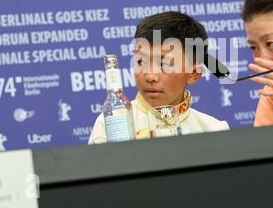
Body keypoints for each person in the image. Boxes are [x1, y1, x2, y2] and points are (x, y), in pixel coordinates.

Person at [89, 11, 229, 143]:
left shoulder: (214, 130)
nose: (150, 76)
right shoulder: (111, 125)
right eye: (141, 62)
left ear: (194, 73)